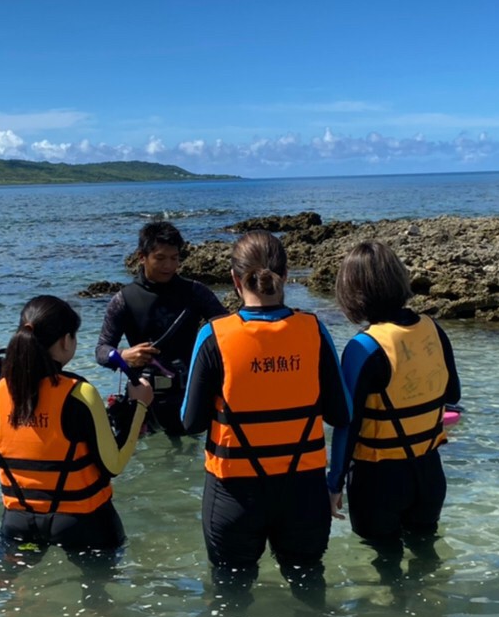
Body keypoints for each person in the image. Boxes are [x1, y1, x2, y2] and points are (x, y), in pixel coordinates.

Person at [180, 231, 350, 596]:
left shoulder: (213, 336)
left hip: (234, 495)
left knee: (230, 597)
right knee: (309, 588)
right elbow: (341, 413)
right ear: (286, 276)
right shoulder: (314, 330)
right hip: (303, 492)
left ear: (235, 280)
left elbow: (190, 422)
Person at [330, 241, 461, 577]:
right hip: (429, 473)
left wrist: (334, 484)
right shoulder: (433, 329)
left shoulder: (363, 347)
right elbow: (453, 393)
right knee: (426, 554)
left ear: (353, 291)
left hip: (380, 482)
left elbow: (348, 425)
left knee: (386, 566)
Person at [0, 296, 153, 557]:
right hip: (82, 523)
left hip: (18, 523)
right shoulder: (80, 393)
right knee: (99, 594)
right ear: (66, 340)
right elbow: (115, 464)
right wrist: (140, 406)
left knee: (20, 596)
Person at [95, 221, 226, 440]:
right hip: (143, 396)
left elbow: (228, 330)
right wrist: (124, 356)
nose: (169, 265)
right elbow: (101, 350)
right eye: (160, 258)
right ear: (142, 257)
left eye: (174, 258)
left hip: (188, 395)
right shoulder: (124, 300)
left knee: (186, 462)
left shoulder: (195, 292)